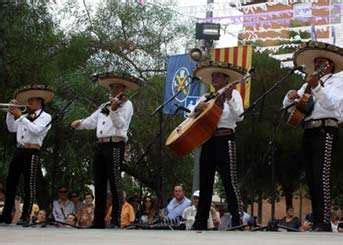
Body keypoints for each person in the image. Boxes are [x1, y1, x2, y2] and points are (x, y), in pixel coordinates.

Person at [283, 41, 343, 231]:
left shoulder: (339, 80)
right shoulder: (307, 84)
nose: (317, 65)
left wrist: (317, 87)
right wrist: (290, 96)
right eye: (316, 62)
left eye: (322, 62)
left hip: (326, 128)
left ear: (330, 65)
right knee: (310, 176)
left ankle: (324, 221)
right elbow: (292, 109)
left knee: (321, 175)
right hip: (308, 129)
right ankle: (317, 220)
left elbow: (333, 105)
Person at [70, 72, 141, 228]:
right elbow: (92, 120)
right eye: (111, 87)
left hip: (115, 143)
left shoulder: (127, 105)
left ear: (123, 89)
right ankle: (98, 221)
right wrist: (80, 123)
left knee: (115, 181)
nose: (113, 90)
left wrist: (114, 110)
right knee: (99, 183)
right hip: (101, 144)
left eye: (116, 87)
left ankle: (116, 220)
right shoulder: (104, 105)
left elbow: (121, 125)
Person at [190, 62, 245, 230]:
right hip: (208, 140)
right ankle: (200, 222)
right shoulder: (205, 97)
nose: (214, 78)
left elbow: (239, 116)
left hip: (226, 138)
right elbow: (190, 116)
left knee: (230, 181)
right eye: (213, 76)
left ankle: (237, 220)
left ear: (226, 79)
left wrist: (228, 98)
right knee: (205, 183)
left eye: (218, 76)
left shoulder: (234, 94)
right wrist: (196, 110)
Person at [0, 85, 53, 226]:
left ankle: (25, 216)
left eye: (32, 100)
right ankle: (5, 216)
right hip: (19, 150)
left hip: (32, 151)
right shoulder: (24, 116)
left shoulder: (46, 117)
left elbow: (36, 131)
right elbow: (11, 128)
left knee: (29, 184)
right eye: (28, 100)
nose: (29, 102)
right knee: (10, 183)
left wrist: (20, 117)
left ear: (39, 102)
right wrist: (10, 114)